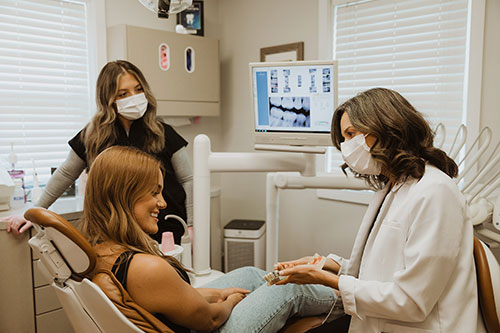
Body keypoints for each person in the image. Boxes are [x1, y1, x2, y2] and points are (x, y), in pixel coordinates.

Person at [274, 88, 483, 332]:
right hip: (379, 318)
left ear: (387, 127)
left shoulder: (435, 192)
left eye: (352, 134)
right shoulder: (392, 188)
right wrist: (325, 264)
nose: (346, 147)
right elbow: (383, 267)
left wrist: (325, 279)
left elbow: (412, 301)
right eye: (343, 139)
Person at [83, 145, 337, 332]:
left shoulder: (101, 250)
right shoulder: (147, 268)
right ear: (123, 197)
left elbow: (168, 297)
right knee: (291, 287)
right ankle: (349, 300)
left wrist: (219, 293)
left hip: (186, 319)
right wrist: (231, 301)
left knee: (250, 274)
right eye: (154, 193)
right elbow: (211, 320)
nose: (162, 203)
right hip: (205, 328)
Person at [5, 60, 191, 244]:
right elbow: (66, 173)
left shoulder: (163, 132)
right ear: (108, 99)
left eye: (139, 89)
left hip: (167, 227)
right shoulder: (93, 136)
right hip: (115, 232)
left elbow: (189, 180)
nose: (134, 97)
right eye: (123, 94)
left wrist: (192, 225)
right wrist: (34, 211)